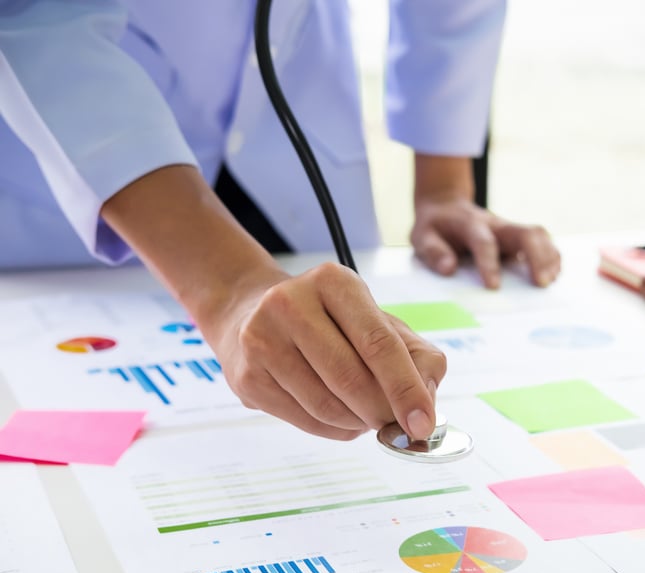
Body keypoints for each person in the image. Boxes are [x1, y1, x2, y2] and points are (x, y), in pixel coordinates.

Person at [0, 1, 561, 442]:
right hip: (87, 180)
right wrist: (231, 289)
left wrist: (444, 188)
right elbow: (31, 19)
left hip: (295, 123)